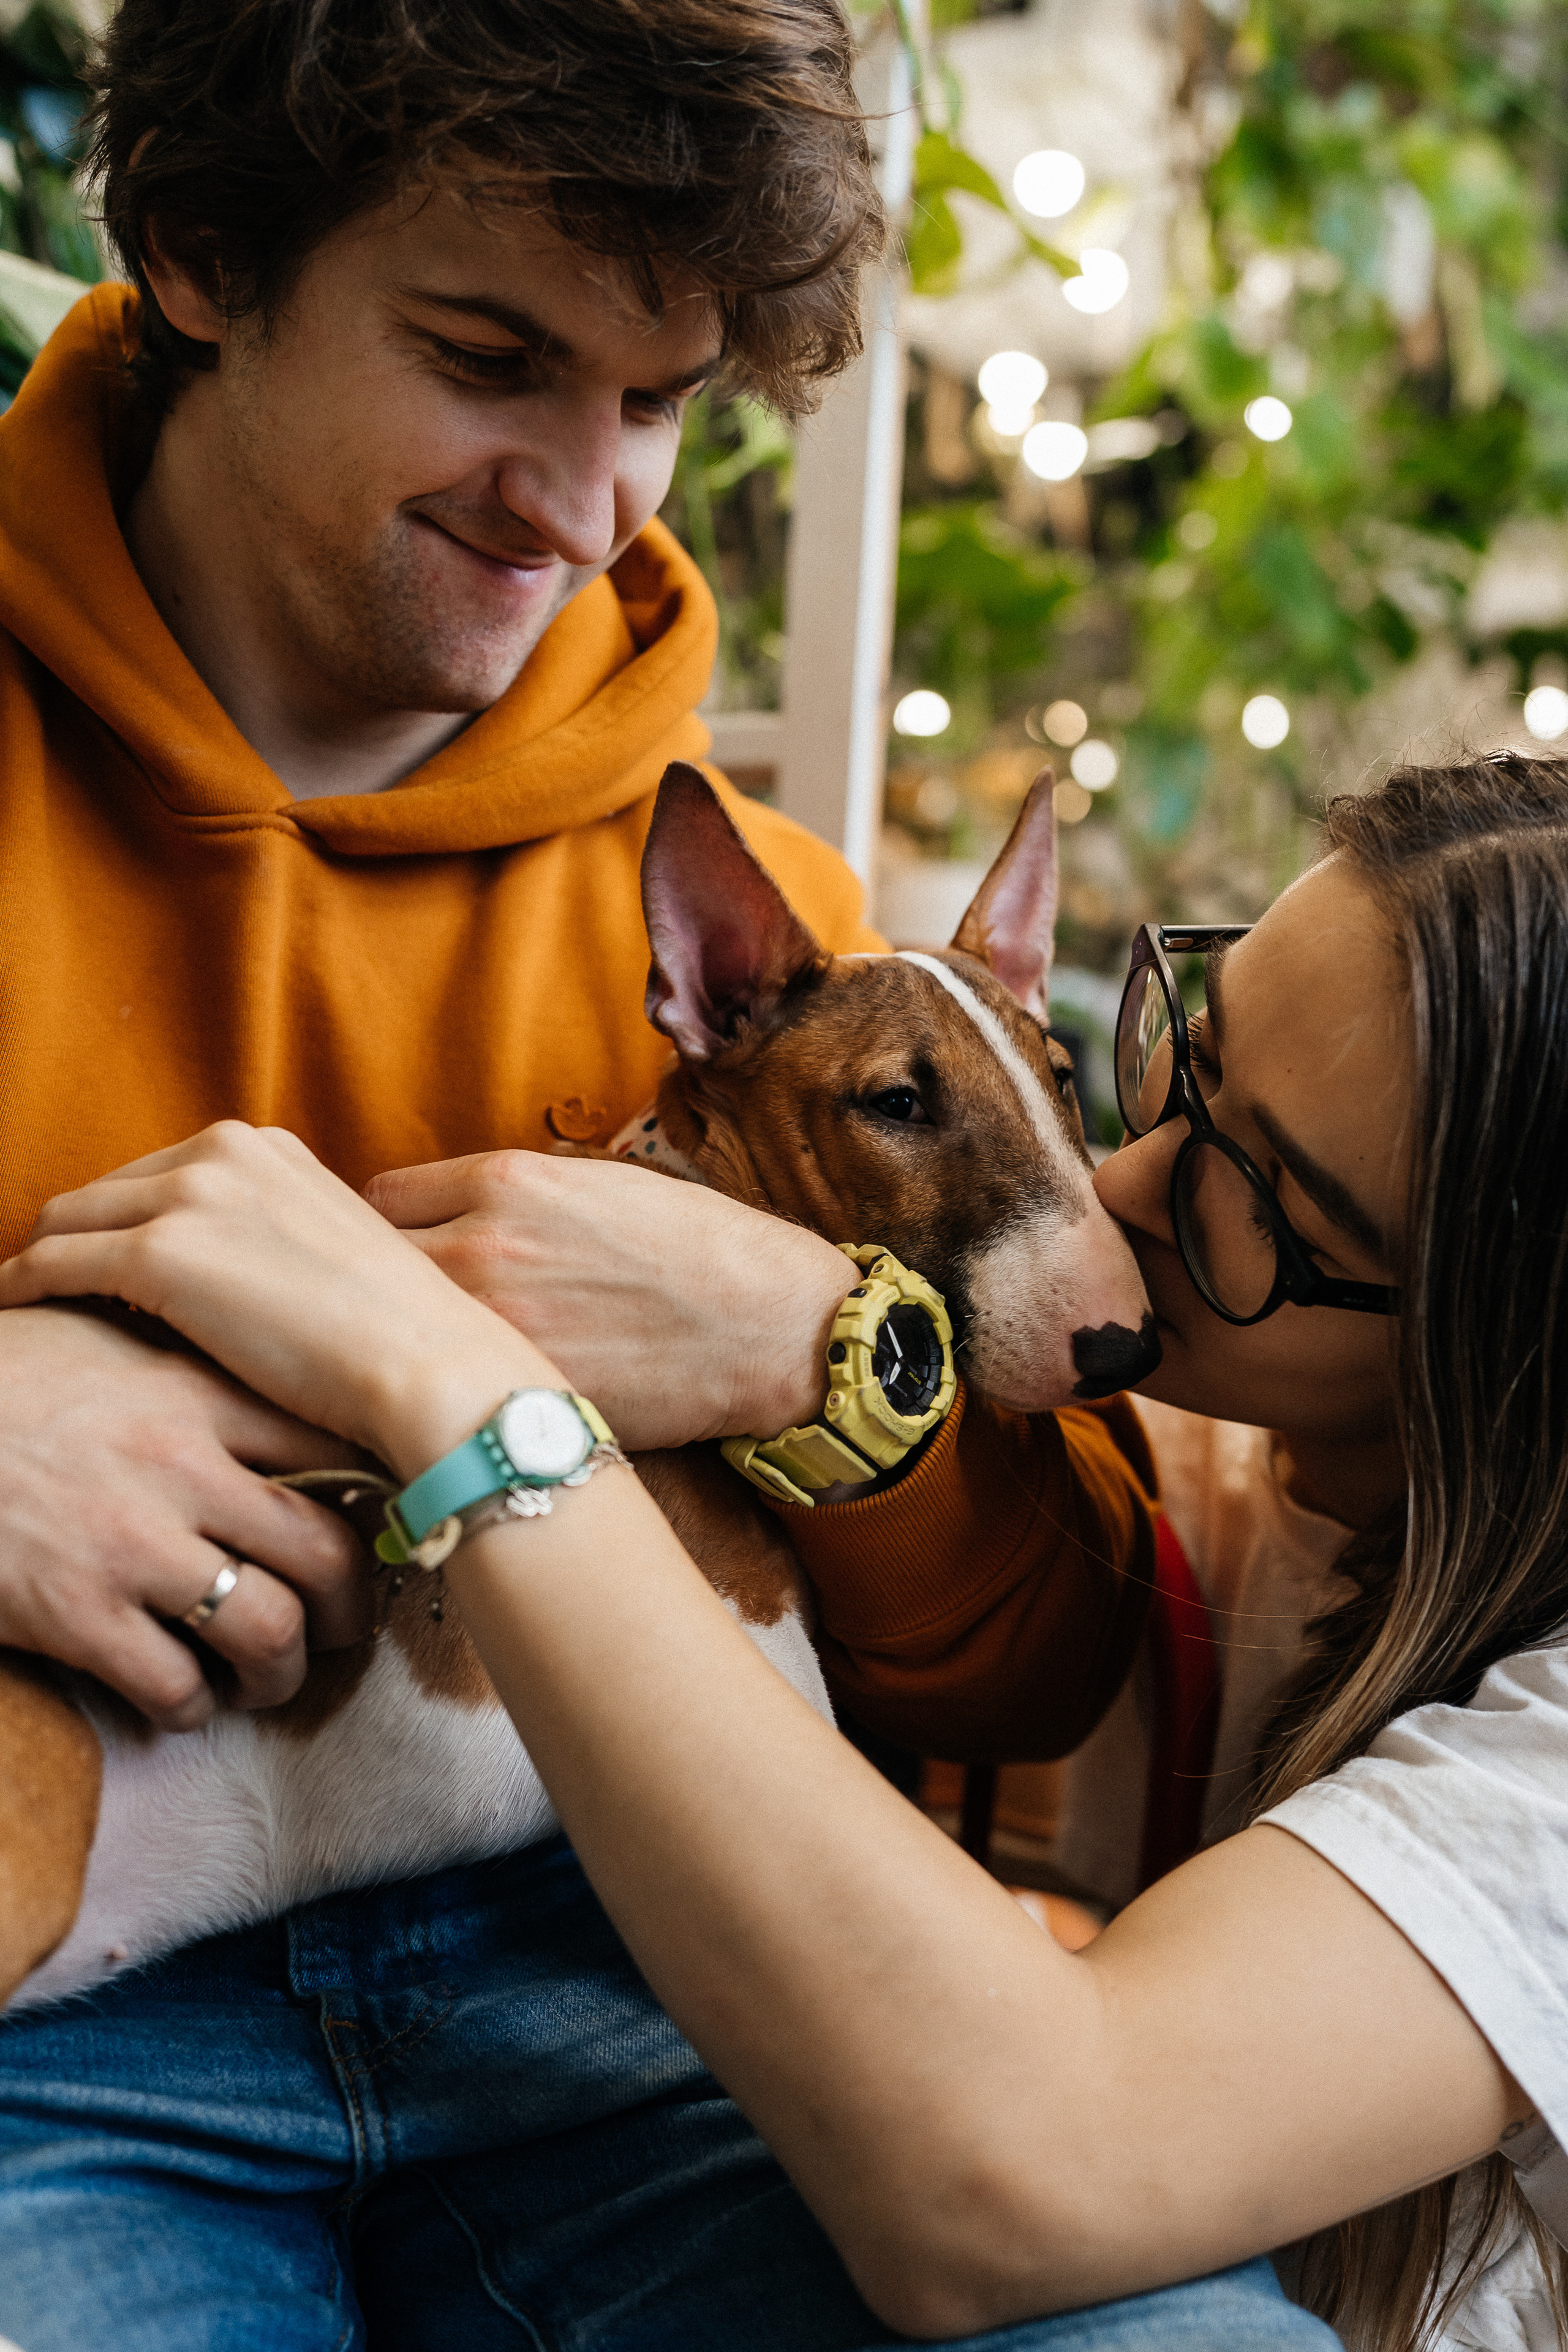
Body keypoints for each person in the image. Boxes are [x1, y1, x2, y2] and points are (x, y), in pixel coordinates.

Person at [0, 0, 1169, 2341]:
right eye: (486, 355)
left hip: (659, 1978)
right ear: (205, 253)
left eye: (653, 403)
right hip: (64, 2030)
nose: (584, 496)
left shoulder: (796, 958)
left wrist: (829, 1357)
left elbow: (1046, 1669)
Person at [10, 754, 1568, 2352]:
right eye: (1182, 1057)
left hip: (642, 1988)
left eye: (1265, 1186)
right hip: (129, 1926)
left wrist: (744, 1352)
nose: (1117, 1180)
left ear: (1489, 1344)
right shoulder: (1250, 1456)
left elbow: (1027, 2105)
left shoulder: (1537, 1757)